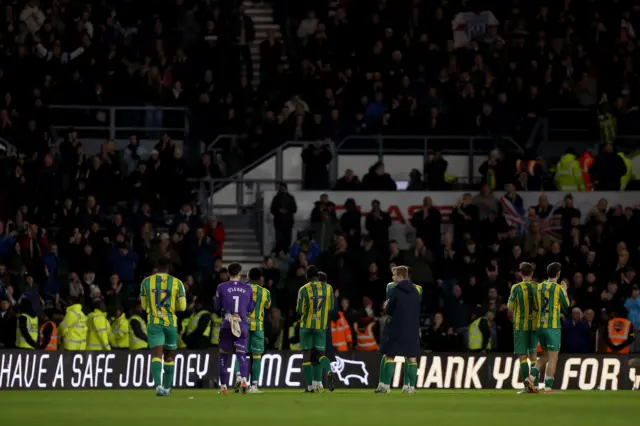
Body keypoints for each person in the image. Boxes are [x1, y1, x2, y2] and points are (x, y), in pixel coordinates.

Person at [140, 257, 187, 396]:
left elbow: (143, 306)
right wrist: (172, 306)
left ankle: (158, 386)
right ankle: (167, 388)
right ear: (169, 268)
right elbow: (183, 307)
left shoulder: (146, 282)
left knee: (156, 356)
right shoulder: (177, 283)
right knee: (169, 357)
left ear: (157, 267)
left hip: (154, 323)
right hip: (170, 323)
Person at [377, 266, 421, 394]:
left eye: (394, 275)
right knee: (412, 358)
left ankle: (385, 386)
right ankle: (411, 388)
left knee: (389, 356)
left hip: (396, 328)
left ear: (401, 277)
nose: (393, 278)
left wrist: (386, 305)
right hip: (412, 329)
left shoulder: (394, 290)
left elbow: (389, 309)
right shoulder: (416, 291)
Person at [214, 263, 255, 395]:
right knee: (241, 354)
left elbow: (216, 306)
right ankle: (244, 380)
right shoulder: (248, 288)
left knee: (224, 355)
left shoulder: (221, 287)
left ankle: (224, 387)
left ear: (228, 273)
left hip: (227, 324)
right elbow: (250, 308)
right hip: (241, 324)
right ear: (240, 273)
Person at [532, 262, 570, 394]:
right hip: (552, 326)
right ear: (558, 274)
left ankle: (531, 377)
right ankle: (547, 387)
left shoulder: (539, 287)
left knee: (545, 356)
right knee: (553, 358)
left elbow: (535, 305)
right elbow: (566, 305)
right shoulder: (558, 288)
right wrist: (565, 291)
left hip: (540, 325)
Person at [297, 265, 335, 392]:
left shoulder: (303, 289)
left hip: (306, 326)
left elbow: (299, 310)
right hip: (320, 326)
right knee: (320, 354)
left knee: (306, 355)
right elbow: (331, 307)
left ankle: (310, 387)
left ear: (307, 276)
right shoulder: (328, 289)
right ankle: (326, 373)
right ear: (318, 276)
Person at [233, 267, 271, 394]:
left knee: (241, 353)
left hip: (242, 325)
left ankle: (240, 376)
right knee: (256, 357)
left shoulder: (240, 290)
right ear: (260, 279)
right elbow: (268, 305)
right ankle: (253, 386)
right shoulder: (265, 292)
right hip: (258, 328)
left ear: (248, 277)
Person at [507, 262, 539, 394]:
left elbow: (510, 306)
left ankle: (527, 387)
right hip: (535, 326)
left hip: (520, 326)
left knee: (522, 357)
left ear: (521, 273)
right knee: (533, 356)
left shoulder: (516, 288)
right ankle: (534, 385)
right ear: (532, 273)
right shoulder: (538, 287)